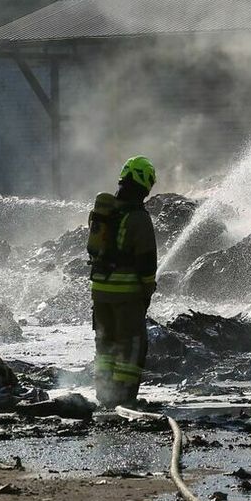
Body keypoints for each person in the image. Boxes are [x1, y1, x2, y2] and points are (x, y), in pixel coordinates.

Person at [86, 156, 158, 408]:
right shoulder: (138, 218)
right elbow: (146, 262)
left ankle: (105, 394)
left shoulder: (106, 212)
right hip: (126, 296)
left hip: (100, 292)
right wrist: (148, 290)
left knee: (105, 344)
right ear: (144, 183)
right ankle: (125, 397)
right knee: (131, 345)